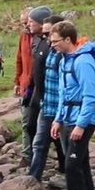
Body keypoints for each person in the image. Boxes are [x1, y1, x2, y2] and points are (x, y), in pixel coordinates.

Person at [50, 21, 95, 190]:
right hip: (68, 118)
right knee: (81, 164)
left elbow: (91, 95)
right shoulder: (64, 61)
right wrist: (58, 119)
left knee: (71, 166)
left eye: (55, 41)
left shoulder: (84, 62)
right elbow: (64, 93)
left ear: (68, 39)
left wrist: (81, 125)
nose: (52, 45)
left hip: (83, 120)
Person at [28, 14, 68, 181]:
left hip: (64, 110)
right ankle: (32, 180)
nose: (44, 38)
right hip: (47, 104)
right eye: (43, 34)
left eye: (47, 34)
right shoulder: (50, 50)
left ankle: (72, 184)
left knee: (67, 148)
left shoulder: (65, 55)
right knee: (39, 144)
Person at [21, 6, 53, 168]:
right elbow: (35, 68)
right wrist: (29, 90)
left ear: (42, 24)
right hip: (36, 92)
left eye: (32, 22)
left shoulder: (52, 44)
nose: (28, 24)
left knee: (48, 135)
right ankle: (33, 164)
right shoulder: (37, 41)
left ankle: (37, 172)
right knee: (31, 127)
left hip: (50, 96)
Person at [13, 7, 34, 163]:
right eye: (23, 23)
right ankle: (27, 155)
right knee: (26, 121)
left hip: (41, 87)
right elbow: (19, 59)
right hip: (26, 85)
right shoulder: (24, 36)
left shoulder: (46, 38)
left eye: (27, 22)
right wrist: (17, 82)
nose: (26, 26)